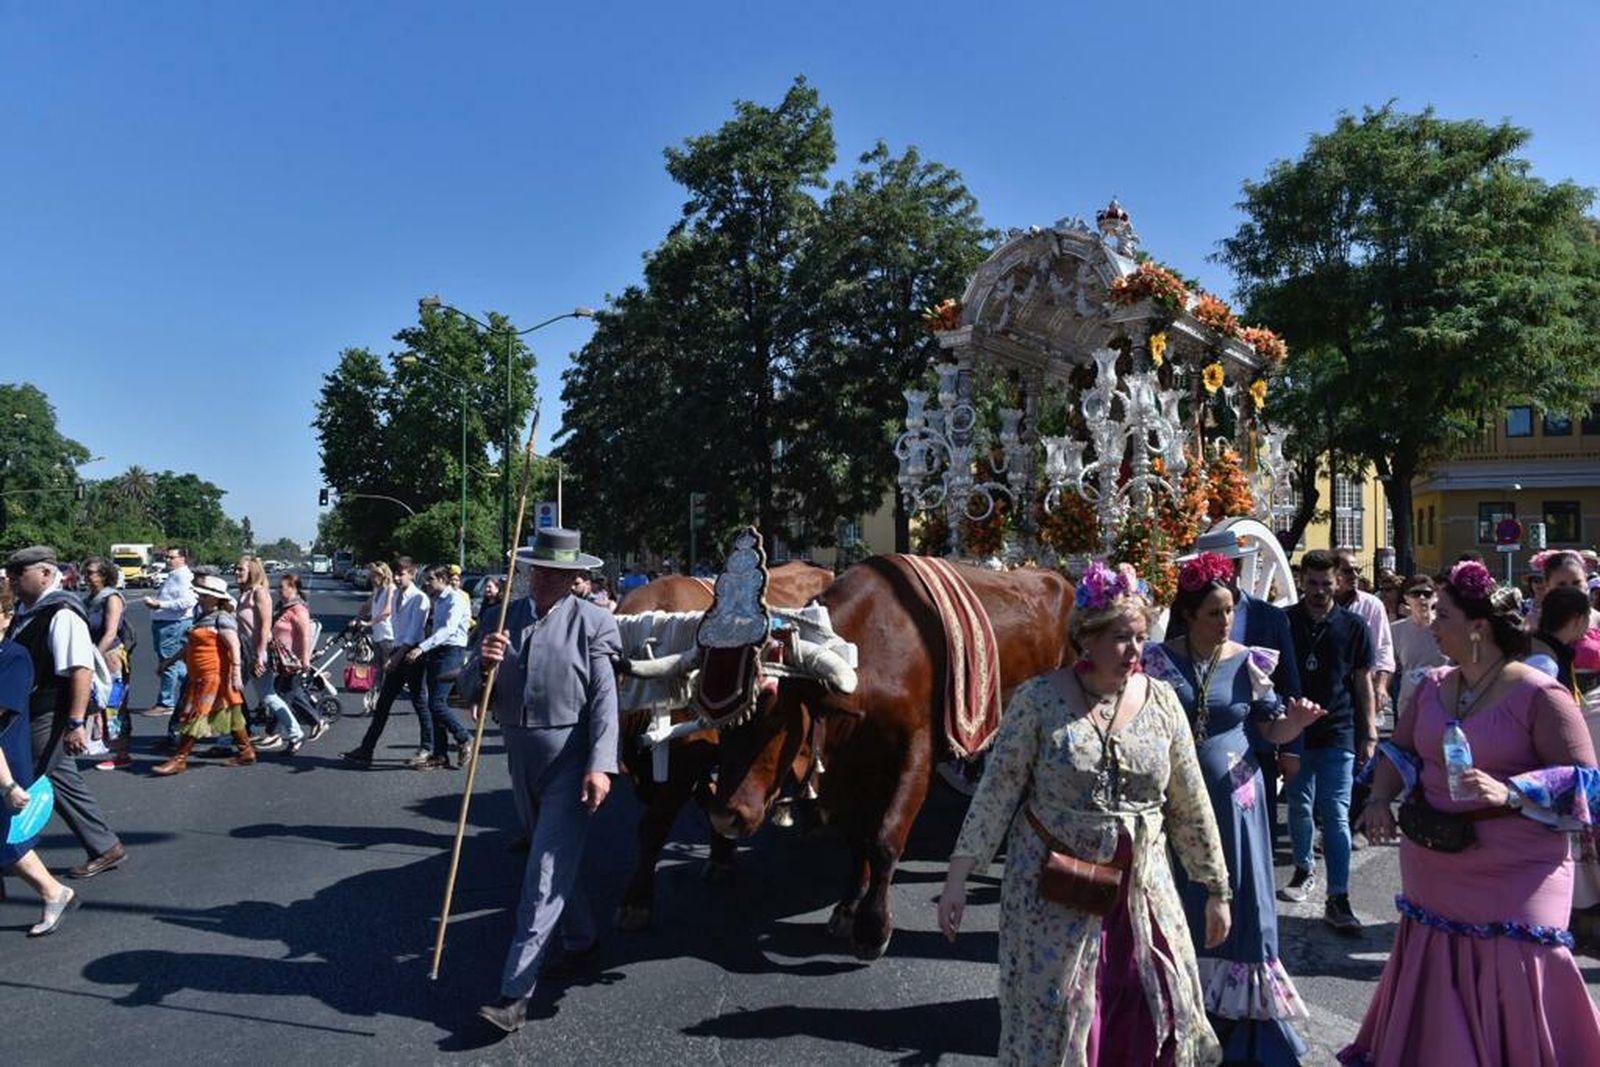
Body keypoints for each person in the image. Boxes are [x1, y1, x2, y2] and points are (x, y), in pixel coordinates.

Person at [937, 561, 1232, 1065]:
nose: (1135, 651)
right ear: (1087, 639)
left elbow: (1190, 803)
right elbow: (997, 793)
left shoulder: (1161, 702)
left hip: (1141, 889)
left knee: (1149, 1000)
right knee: (1065, 1012)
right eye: (1121, 638)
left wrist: (1216, 890)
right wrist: (958, 878)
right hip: (1055, 892)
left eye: (1140, 638)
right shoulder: (1038, 700)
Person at [1345, 560, 1600, 1065]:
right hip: (1435, 863)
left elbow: (1586, 782)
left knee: (1520, 973)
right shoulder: (1433, 685)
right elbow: (1399, 752)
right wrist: (1377, 799)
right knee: (1439, 975)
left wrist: (1511, 792)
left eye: (1444, 616)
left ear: (1478, 628)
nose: (1432, 625)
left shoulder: (1539, 693)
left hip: (1519, 869)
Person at [1142, 552, 1326, 1063]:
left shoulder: (1249, 661)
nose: (1225, 621)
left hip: (1237, 801)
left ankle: (1244, 1025)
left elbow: (1270, 729)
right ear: (1188, 615)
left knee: (1241, 899)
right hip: (1175, 802)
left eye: (1229, 610)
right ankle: (1182, 1004)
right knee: (1180, 894)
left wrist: (1294, 727)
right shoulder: (1157, 662)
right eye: (1214, 612)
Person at [472, 528, 622, 1034]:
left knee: (542, 874)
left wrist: (601, 764)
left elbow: (605, 700)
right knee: (552, 861)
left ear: (574, 577)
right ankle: (583, 943)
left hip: (570, 762)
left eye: (555, 573)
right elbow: (468, 690)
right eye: (538, 569)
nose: (542, 579)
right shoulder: (501, 619)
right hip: (519, 759)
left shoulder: (593, 622)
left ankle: (514, 994)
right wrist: (483, 665)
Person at [1170, 529, 1303, 854]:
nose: (1223, 620)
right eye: (1215, 613)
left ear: (1238, 568)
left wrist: (1292, 748)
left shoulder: (1269, 618)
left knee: (1249, 848)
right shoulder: (1178, 627)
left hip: (1251, 752)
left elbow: (1288, 684)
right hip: (1185, 768)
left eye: (1228, 567)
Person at [3, 546, 126, 880]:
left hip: (50, 711)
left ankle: (18, 855)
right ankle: (104, 845)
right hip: (30, 709)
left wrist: (75, 723)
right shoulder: (29, 610)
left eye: (19, 574)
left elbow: (80, 670)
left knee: (23, 776)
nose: (12, 581)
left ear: (45, 573)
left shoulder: (62, 612)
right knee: (57, 776)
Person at [1279, 549, 1374, 932]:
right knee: (1300, 806)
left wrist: (1369, 732)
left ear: (1339, 582)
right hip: (1296, 731)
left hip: (1339, 730)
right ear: (1302, 581)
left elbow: (1363, 682)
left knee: (1335, 814)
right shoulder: (1285, 622)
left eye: (1326, 583)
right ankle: (1303, 868)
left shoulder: (1354, 626)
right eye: (1312, 583)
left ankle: (1339, 896)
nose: (1319, 591)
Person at [152, 575, 253, 775]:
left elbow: (234, 645)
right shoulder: (203, 617)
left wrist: (236, 672)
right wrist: (169, 662)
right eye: (200, 594)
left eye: (204, 595)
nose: (200, 598)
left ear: (216, 598)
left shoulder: (222, 617)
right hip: (201, 674)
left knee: (196, 713)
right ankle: (246, 752)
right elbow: (191, 646)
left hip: (213, 675)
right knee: (231, 712)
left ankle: (180, 759)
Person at [343, 558, 430, 767]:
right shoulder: (397, 595)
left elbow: (413, 633)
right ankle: (366, 749)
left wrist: (395, 658)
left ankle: (428, 746)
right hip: (398, 652)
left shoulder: (419, 598)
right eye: (396, 574)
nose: (398, 578)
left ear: (413, 574)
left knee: (419, 702)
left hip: (413, 655)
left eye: (402, 574)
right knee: (383, 703)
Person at [408, 563, 473, 770]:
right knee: (433, 704)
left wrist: (421, 648)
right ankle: (440, 754)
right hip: (437, 652)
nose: (427, 583)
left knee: (437, 703)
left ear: (443, 580)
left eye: (430, 579)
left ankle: (463, 737)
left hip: (451, 652)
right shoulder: (437, 600)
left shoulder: (456, 599)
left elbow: (449, 629)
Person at [256, 571, 324, 755]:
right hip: (281, 660)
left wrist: (305, 659)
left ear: (293, 589)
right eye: (278, 587)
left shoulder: (299, 609)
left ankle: (277, 734)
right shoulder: (283, 607)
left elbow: (305, 635)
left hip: (293, 661)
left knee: (282, 695)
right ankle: (316, 721)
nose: (279, 591)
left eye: (282, 587)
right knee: (292, 695)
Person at [82, 557, 133, 770]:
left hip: (110, 656)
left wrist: (95, 657)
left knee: (114, 704)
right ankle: (100, 743)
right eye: (85, 572)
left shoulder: (111, 598)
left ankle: (122, 753)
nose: (86, 577)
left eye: (91, 573)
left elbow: (111, 632)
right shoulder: (89, 599)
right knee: (96, 703)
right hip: (94, 654)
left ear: (104, 575)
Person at [142, 545, 196, 716]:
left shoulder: (182, 576)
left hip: (173, 624)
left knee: (168, 663)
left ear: (183, 559)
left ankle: (166, 703)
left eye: (172, 557)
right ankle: (195, 690)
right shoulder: (174, 575)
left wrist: (159, 604)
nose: (167, 560)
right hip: (168, 623)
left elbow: (188, 601)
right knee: (176, 663)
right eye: (166, 557)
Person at [1391, 575, 1448, 729]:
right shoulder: (1396, 630)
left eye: (1427, 594)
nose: (1422, 598)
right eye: (1415, 594)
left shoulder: (1447, 626)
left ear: (1435, 597)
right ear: (1407, 598)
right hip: (1409, 702)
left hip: (1443, 701)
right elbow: (1388, 665)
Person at [361, 561, 397, 695]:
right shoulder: (376, 590)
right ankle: (377, 694)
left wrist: (369, 623)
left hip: (388, 635)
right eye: (371, 575)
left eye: (374, 575)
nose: (372, 578)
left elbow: (387, 611)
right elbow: (366, 607)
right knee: (377, 668)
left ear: (383, 575)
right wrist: (357, 619)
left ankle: (386, 693)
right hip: (378, 635)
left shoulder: (390, 588)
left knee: (387, 667)